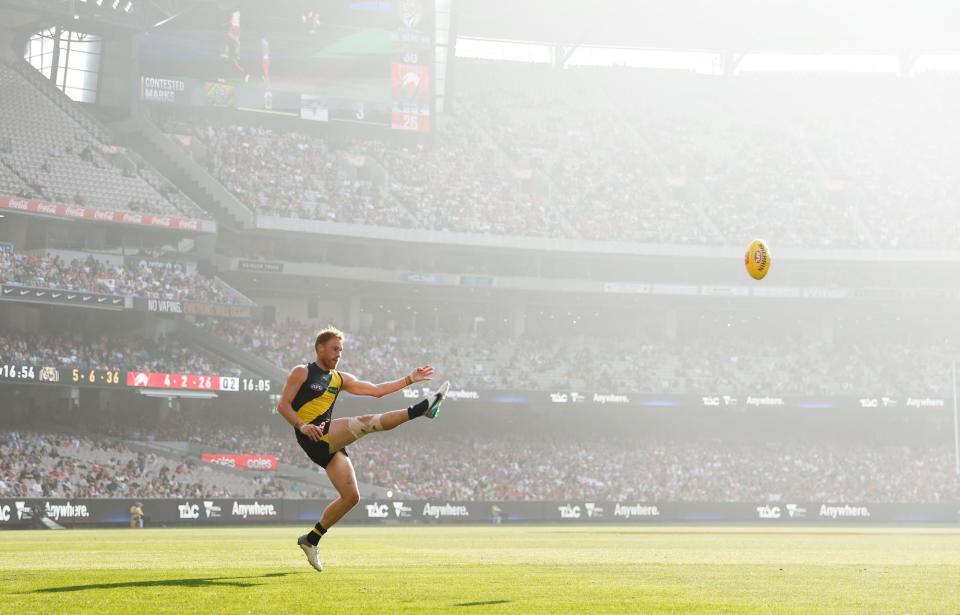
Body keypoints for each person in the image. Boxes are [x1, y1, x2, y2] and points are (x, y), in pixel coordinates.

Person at [276, 326, 448, 572]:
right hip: (312, 435)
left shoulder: (340, 378)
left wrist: (409, 379)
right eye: (335, 349)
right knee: (364, 423)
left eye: (341, 350)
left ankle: (311, 539)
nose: (338, 354)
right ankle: (420, 410)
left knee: (351, 497)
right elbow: (282, 406)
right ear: (320, 348)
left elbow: (376, 391)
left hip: (329, 440)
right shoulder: (301, 372)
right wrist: (302, 426)